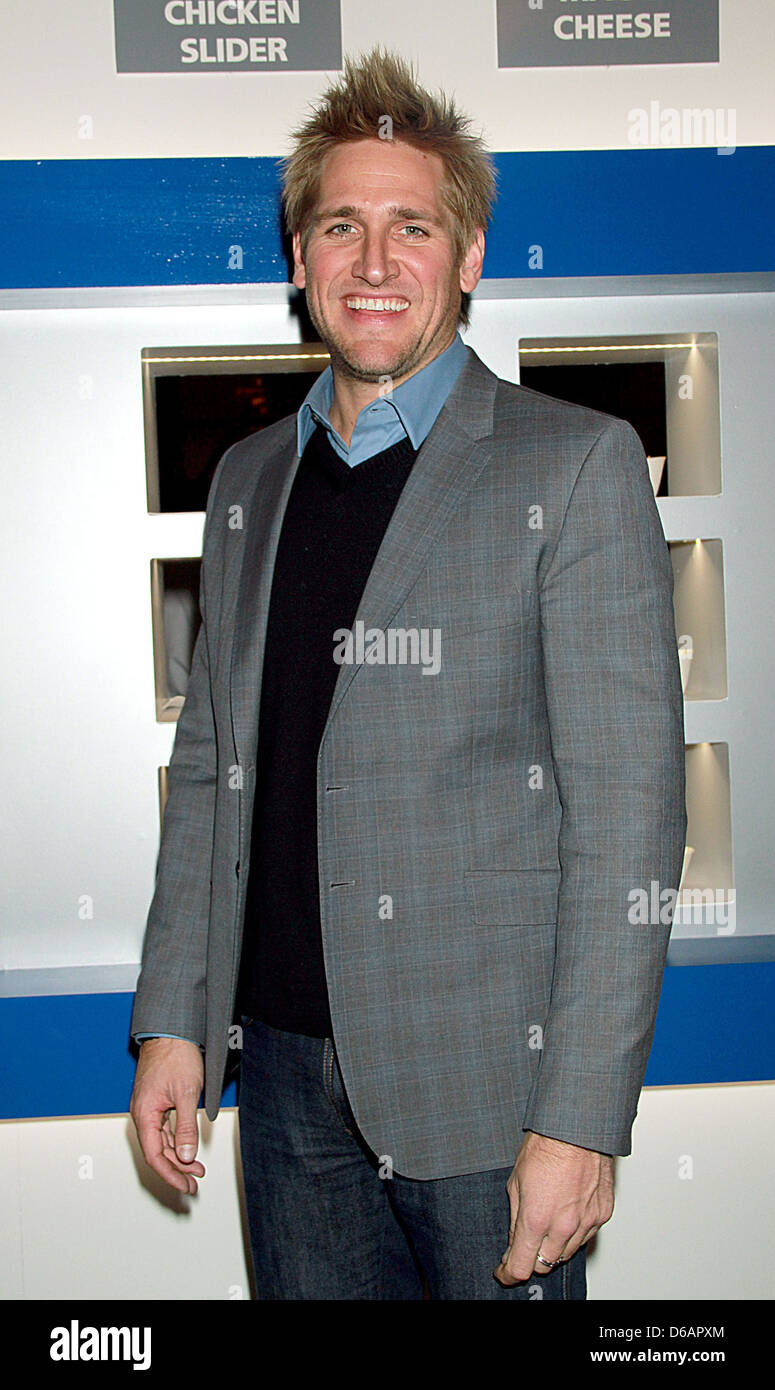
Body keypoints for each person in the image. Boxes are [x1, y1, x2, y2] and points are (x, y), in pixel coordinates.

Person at [129, 46, 686, 1301]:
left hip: (492, 1100)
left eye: (411, 227)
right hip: (278, 1088)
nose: (374, 262)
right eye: (342, 225)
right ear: (299, 259)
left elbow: (631, 816)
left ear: (470, 258)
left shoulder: (574, 466)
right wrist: (175, 1015)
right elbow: (213, 766)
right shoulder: (246, 480)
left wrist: (583, 1116)